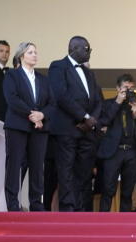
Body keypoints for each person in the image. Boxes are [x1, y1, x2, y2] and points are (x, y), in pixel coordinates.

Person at [46, 36, 103, 211]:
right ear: (74, 48)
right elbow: (61, 95)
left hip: (87, 132)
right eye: (87, 49)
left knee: (85, 173)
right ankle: (68, 210)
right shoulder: (58, 66)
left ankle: (83, 210)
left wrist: (90, 120)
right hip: (67, 129)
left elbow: (98, 100)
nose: (89, 52)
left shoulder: (89, 73)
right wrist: (84, 117)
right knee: (66, 172)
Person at [1, 42, 51, 212]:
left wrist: (42, 115)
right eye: (30, 52)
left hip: (39, 128)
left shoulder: (44, 79)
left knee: (37, 166)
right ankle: (13, 204)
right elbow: (12, 99)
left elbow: (52, 103)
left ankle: (36, 203)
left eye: (36, 52)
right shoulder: (12, 75)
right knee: (15, 164)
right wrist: (32, 114)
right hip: (18, 126)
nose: (35, 55)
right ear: (22, 55)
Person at [95, 73, 136, 212]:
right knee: (108, 190)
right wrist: (118, 102)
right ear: (118, 88)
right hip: (114, 151)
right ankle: (103, 222)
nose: (129, 91)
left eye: (131, 89)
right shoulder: (108, 104)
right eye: (126, 88)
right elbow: (103, 122)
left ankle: (124, 224)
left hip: (132, 151)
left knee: (127, 192)